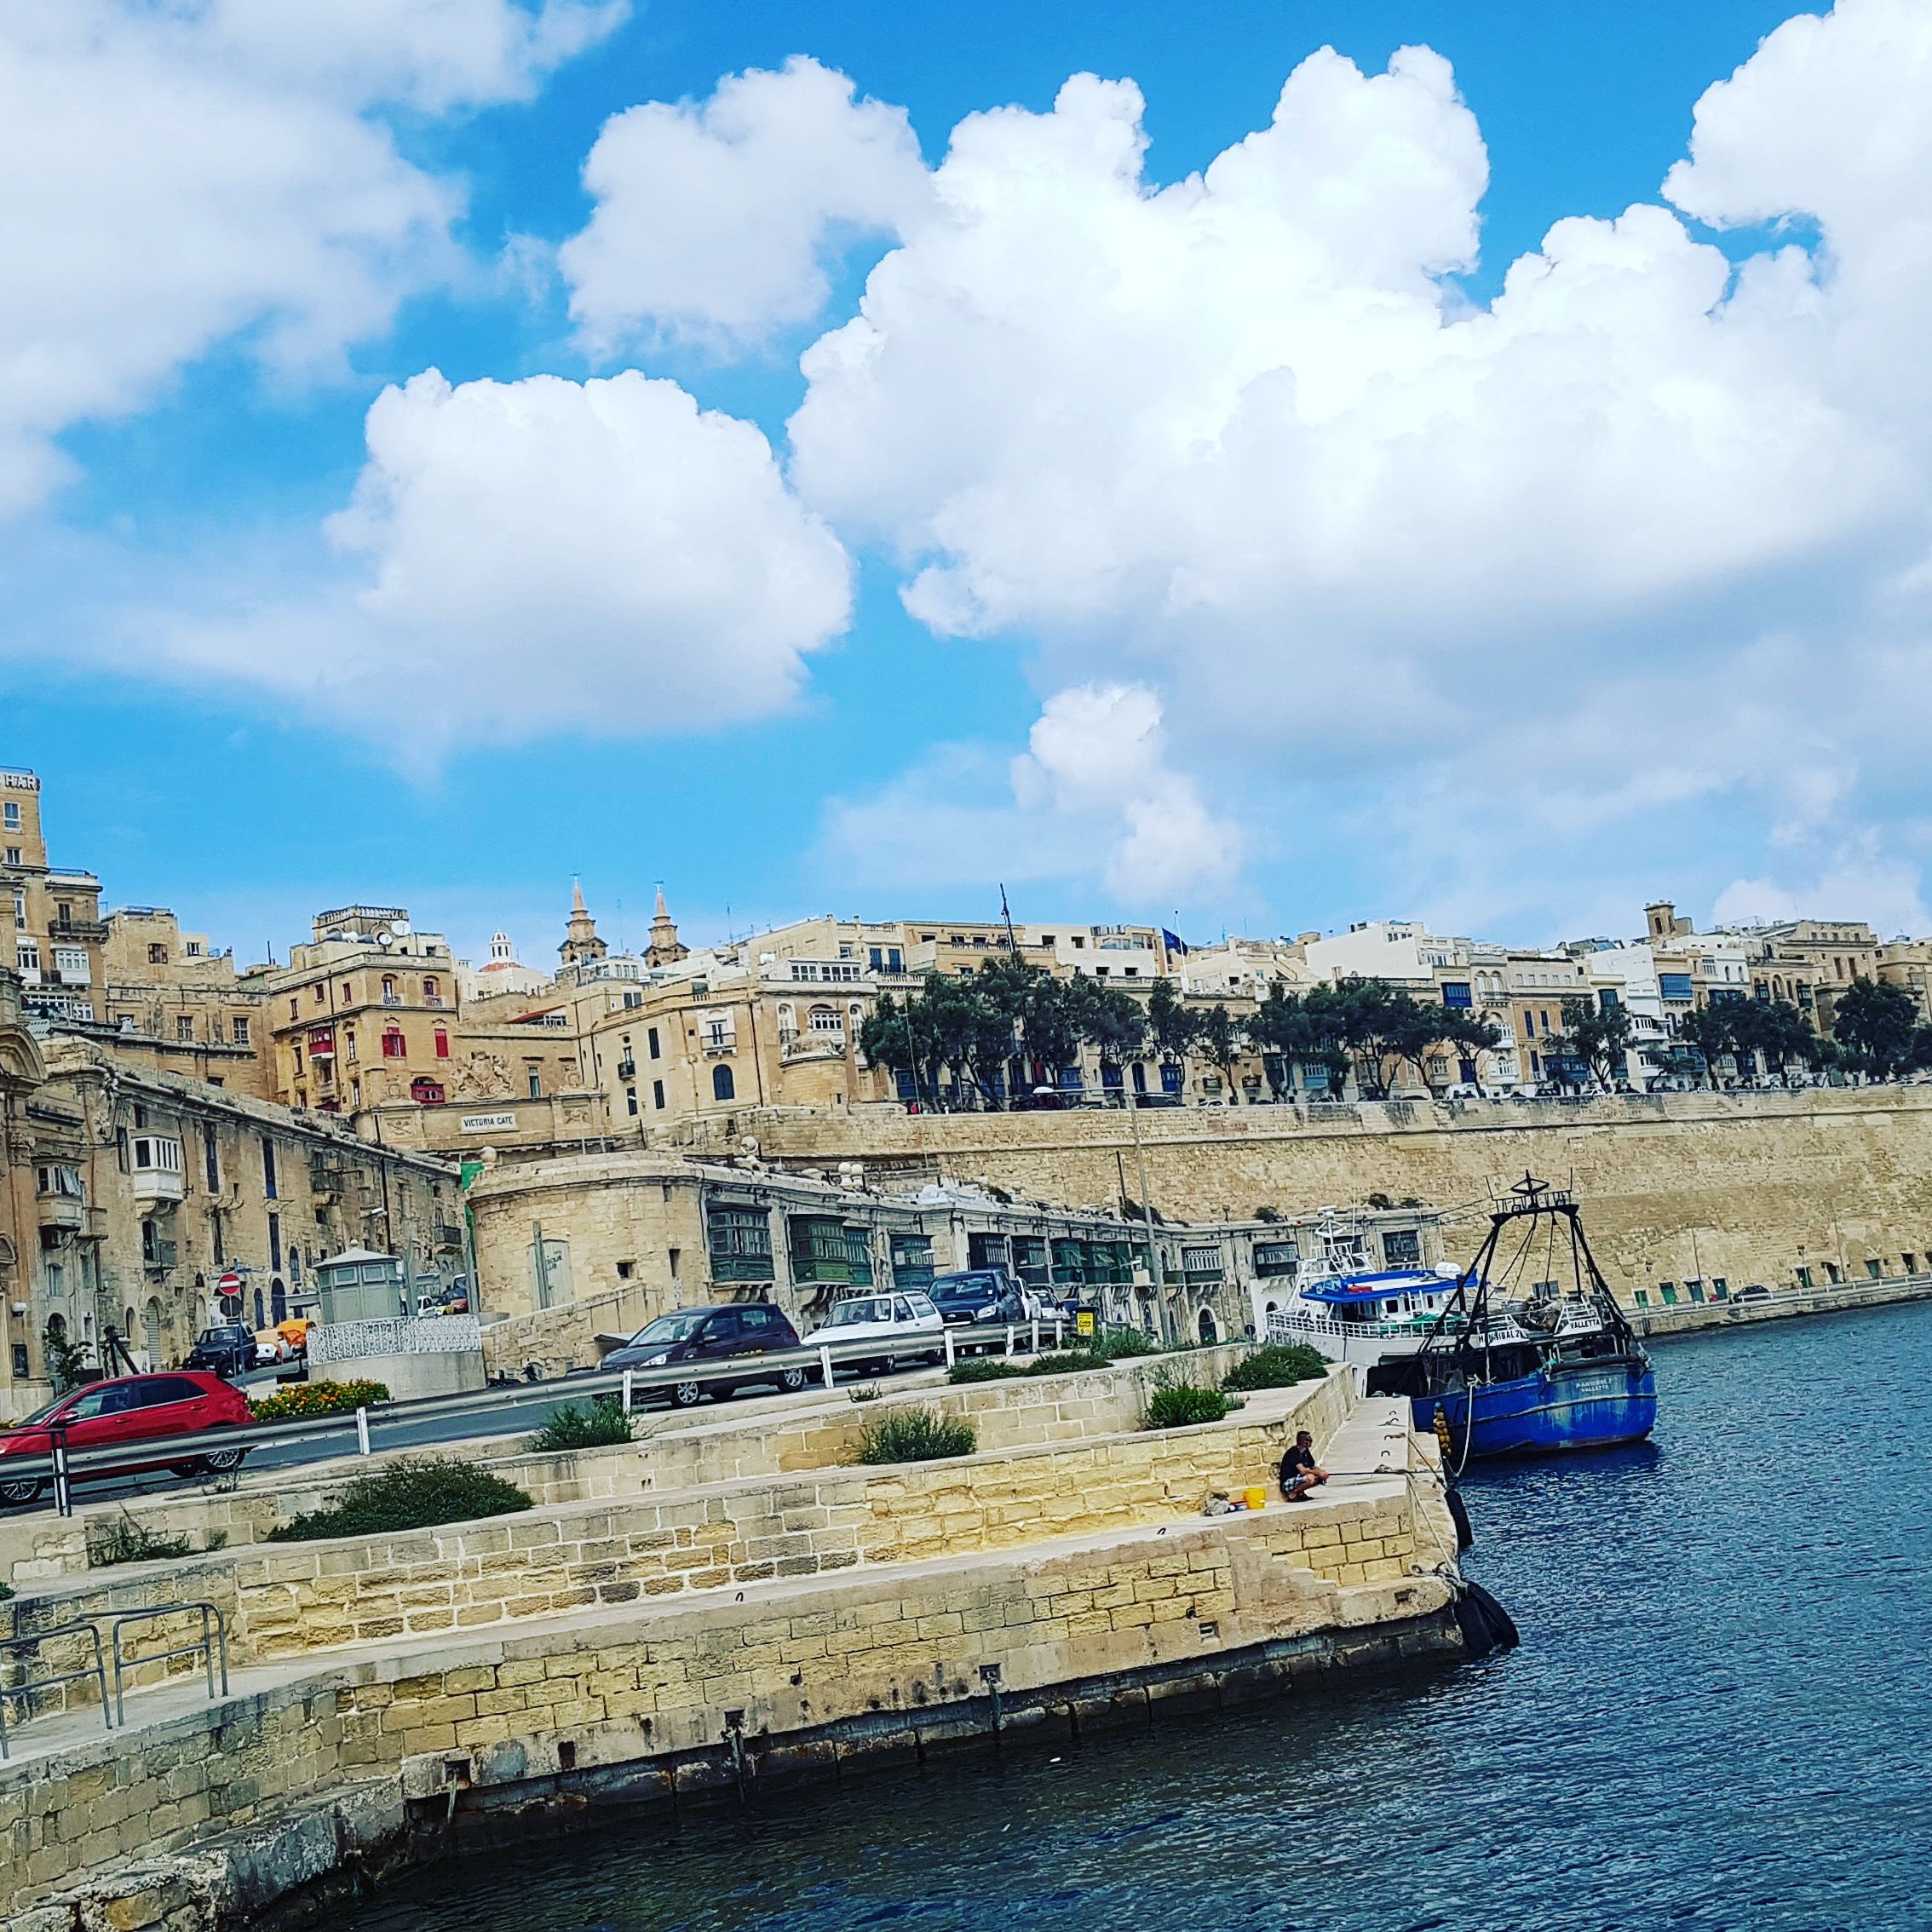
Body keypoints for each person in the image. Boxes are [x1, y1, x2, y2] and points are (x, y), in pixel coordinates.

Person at [1279, 1429, 1329, 1501]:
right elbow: (1303, 1470)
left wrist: (1322, 1472)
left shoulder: (1306, 1451)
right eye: (1308, 1440)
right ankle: (1293, 1493)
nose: (1311, 1441)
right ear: (1303, 1441)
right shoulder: (1293, 1453)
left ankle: (1300, 1493)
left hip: (1298, 1478)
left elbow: (1312, 1466)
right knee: (1310, 1477)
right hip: (1288, 1482)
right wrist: (1318, 1473)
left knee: (1319, 1478)